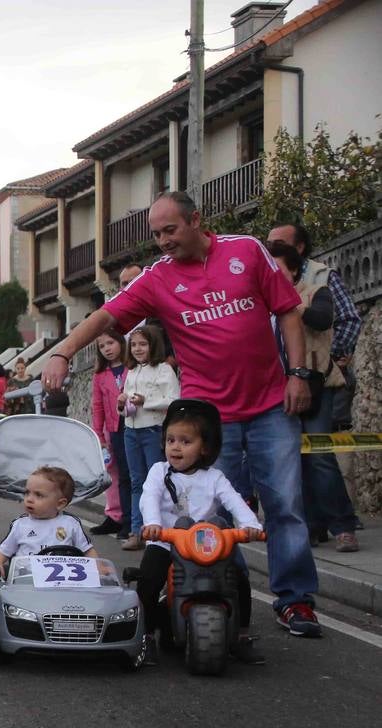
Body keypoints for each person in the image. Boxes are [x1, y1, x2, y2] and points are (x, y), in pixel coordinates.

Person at [41, 191, 320, 637]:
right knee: (209, 512)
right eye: (156, 235)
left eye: (170, 230)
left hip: (271, 404)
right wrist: (62, 353)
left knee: (285, 505)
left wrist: (299, 374)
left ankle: (296, 602)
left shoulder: (246, 251)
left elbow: (287, 312)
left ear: (196, 220)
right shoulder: (158, 278)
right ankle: (220, 595)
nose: (163, 241)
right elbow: (106, 316)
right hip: (209, 415)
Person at [136, 400, 264, 666]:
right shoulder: (159, 472)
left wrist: (251, 525)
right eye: (170, 439)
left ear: (204, 447)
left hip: (206, 544)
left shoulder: (214, 477)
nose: (175, 446)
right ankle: (145, 637)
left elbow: (234, 501)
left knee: (239, 578)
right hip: (167, 541)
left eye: (185, 441)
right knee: (148, 579)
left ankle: (241, 635)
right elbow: (149, 497)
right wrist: (152, 524)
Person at [267, 224, 361, 553]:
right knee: (292, 459)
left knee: (319, 455)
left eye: (276, 253)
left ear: (296, 257)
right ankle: (311, 526)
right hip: (276, 389)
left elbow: (332, 319)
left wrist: (335, 359)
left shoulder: (318, 284)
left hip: (317, 384)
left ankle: (343, 525)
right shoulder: (260, 296)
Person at [118, 324, 179, 551]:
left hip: (153, 430)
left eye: (142, 344)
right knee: (136, 481)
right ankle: (137, 531)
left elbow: (174, 399)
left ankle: (158, 530)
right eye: (133, 345)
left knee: (156, 482)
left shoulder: (163, 369)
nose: (137, 349)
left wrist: (147, 402)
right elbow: (126, 408)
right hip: (131, 430)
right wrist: (121, 404)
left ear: (153, 345)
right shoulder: (132, 371)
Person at [0, 466, 98, 574]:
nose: (29, 499)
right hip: (26, 582)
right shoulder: (20, 525)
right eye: (27, 493)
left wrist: (98, 567)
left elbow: (87, 550)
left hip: (64, 581)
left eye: (38, 495)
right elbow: (4, 550)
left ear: (60, 503)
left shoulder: (70, 524)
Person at [90, 327, 131, 539]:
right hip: (112, 429)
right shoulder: (100, 375)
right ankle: (115, 515)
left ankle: (132, 519)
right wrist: (99, 433)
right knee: (113, 472)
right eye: (102, 346)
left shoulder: (132, 369)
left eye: (110, 343)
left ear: (121, 343)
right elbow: (97, 405)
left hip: (133, 425)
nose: (107, 349)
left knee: (130, 474)